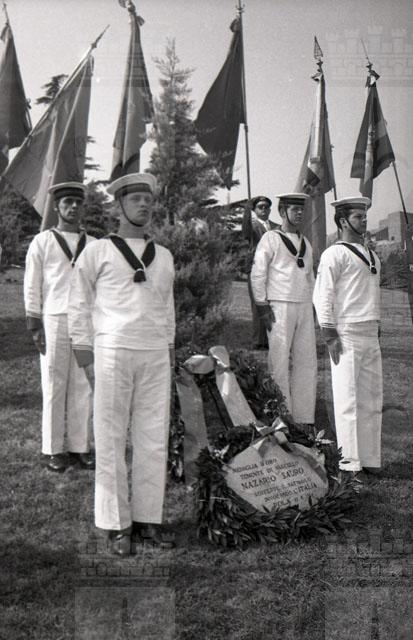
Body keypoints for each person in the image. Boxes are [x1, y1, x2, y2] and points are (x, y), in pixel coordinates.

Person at [68, 173, 175, 556]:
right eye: (135, 199)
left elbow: (167, 307)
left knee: (153, 437)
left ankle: (147, 519)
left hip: (154, 353)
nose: (144, 205)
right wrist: (85, 355)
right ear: (119, 206)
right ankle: (116, 524)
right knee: (111, 437)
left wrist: (169, 348)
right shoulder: (97, 251)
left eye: (148, 199)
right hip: (112, 351)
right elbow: (78, 303)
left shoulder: (164, 256)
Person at [23, 182, 94, 473]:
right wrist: (34, 324)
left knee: (83, 385)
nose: (73, 207)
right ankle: (52, 449)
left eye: (78, 202)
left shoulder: (94, 244)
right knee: (54, 383)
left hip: (85, 321)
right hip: (54, 318)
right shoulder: (43, 241)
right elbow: (32, 284)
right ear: (56, 207)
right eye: (67, 202)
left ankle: (80, 446)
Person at [313, 197, 382, 475]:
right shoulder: (334, 254)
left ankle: (371, 458)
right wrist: (330, 334)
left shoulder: (372, 255)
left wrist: (376, 323)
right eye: (357, 216)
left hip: (369, 331)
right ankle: (350, 462)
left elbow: (371, 294)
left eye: (364, 216)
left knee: (372, 399)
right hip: (346, 333)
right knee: (347, 400)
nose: (364, 220)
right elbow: (322, 296)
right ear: (343, 221)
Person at [250, 193, 317, 425]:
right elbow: (258, 273)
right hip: (279, 304)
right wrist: (262, 306)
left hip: (304, 304)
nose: (299, 213)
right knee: (278, 361)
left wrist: (313, 305)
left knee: (306, 361)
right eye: (294, 209)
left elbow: (310, 277)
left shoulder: (306, 242)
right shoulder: (271, 238)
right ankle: (281, 414)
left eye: (301, 209)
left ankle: (304, 417)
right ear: (282, 212)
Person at [242, 196, 274, 349]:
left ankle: (270, 337)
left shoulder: (276, 227)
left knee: (271, 303)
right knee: (257, 304)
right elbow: (246, 232)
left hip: (273, 269)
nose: (264, 209)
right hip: (256, 268)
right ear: (255, 210)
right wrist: (247, 211)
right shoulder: (252, 226)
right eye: (260, 207)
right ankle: (258, 341)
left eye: (266, 207)